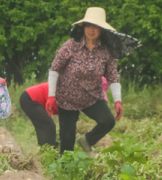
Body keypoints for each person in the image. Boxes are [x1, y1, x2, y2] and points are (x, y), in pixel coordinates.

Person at [45, 8, 126, 155]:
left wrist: (118, 100)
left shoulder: (106, 51)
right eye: (89, 25)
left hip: (92, 97)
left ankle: (86, 141)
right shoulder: (70, 46)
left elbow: (113, 76)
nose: (92, 30)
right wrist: (51, 96)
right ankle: (64, 174)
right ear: (83, 27)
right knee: (67, 146)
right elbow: (54, 69)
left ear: (101, 30)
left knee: (108, 121)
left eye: (96, 26)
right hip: (67, 98)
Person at [21, 77, 109, 148]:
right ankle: (46, 154)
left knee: (48, 127)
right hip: (30, 98)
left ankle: (47, 151)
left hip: (33, 99)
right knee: (48, 126)